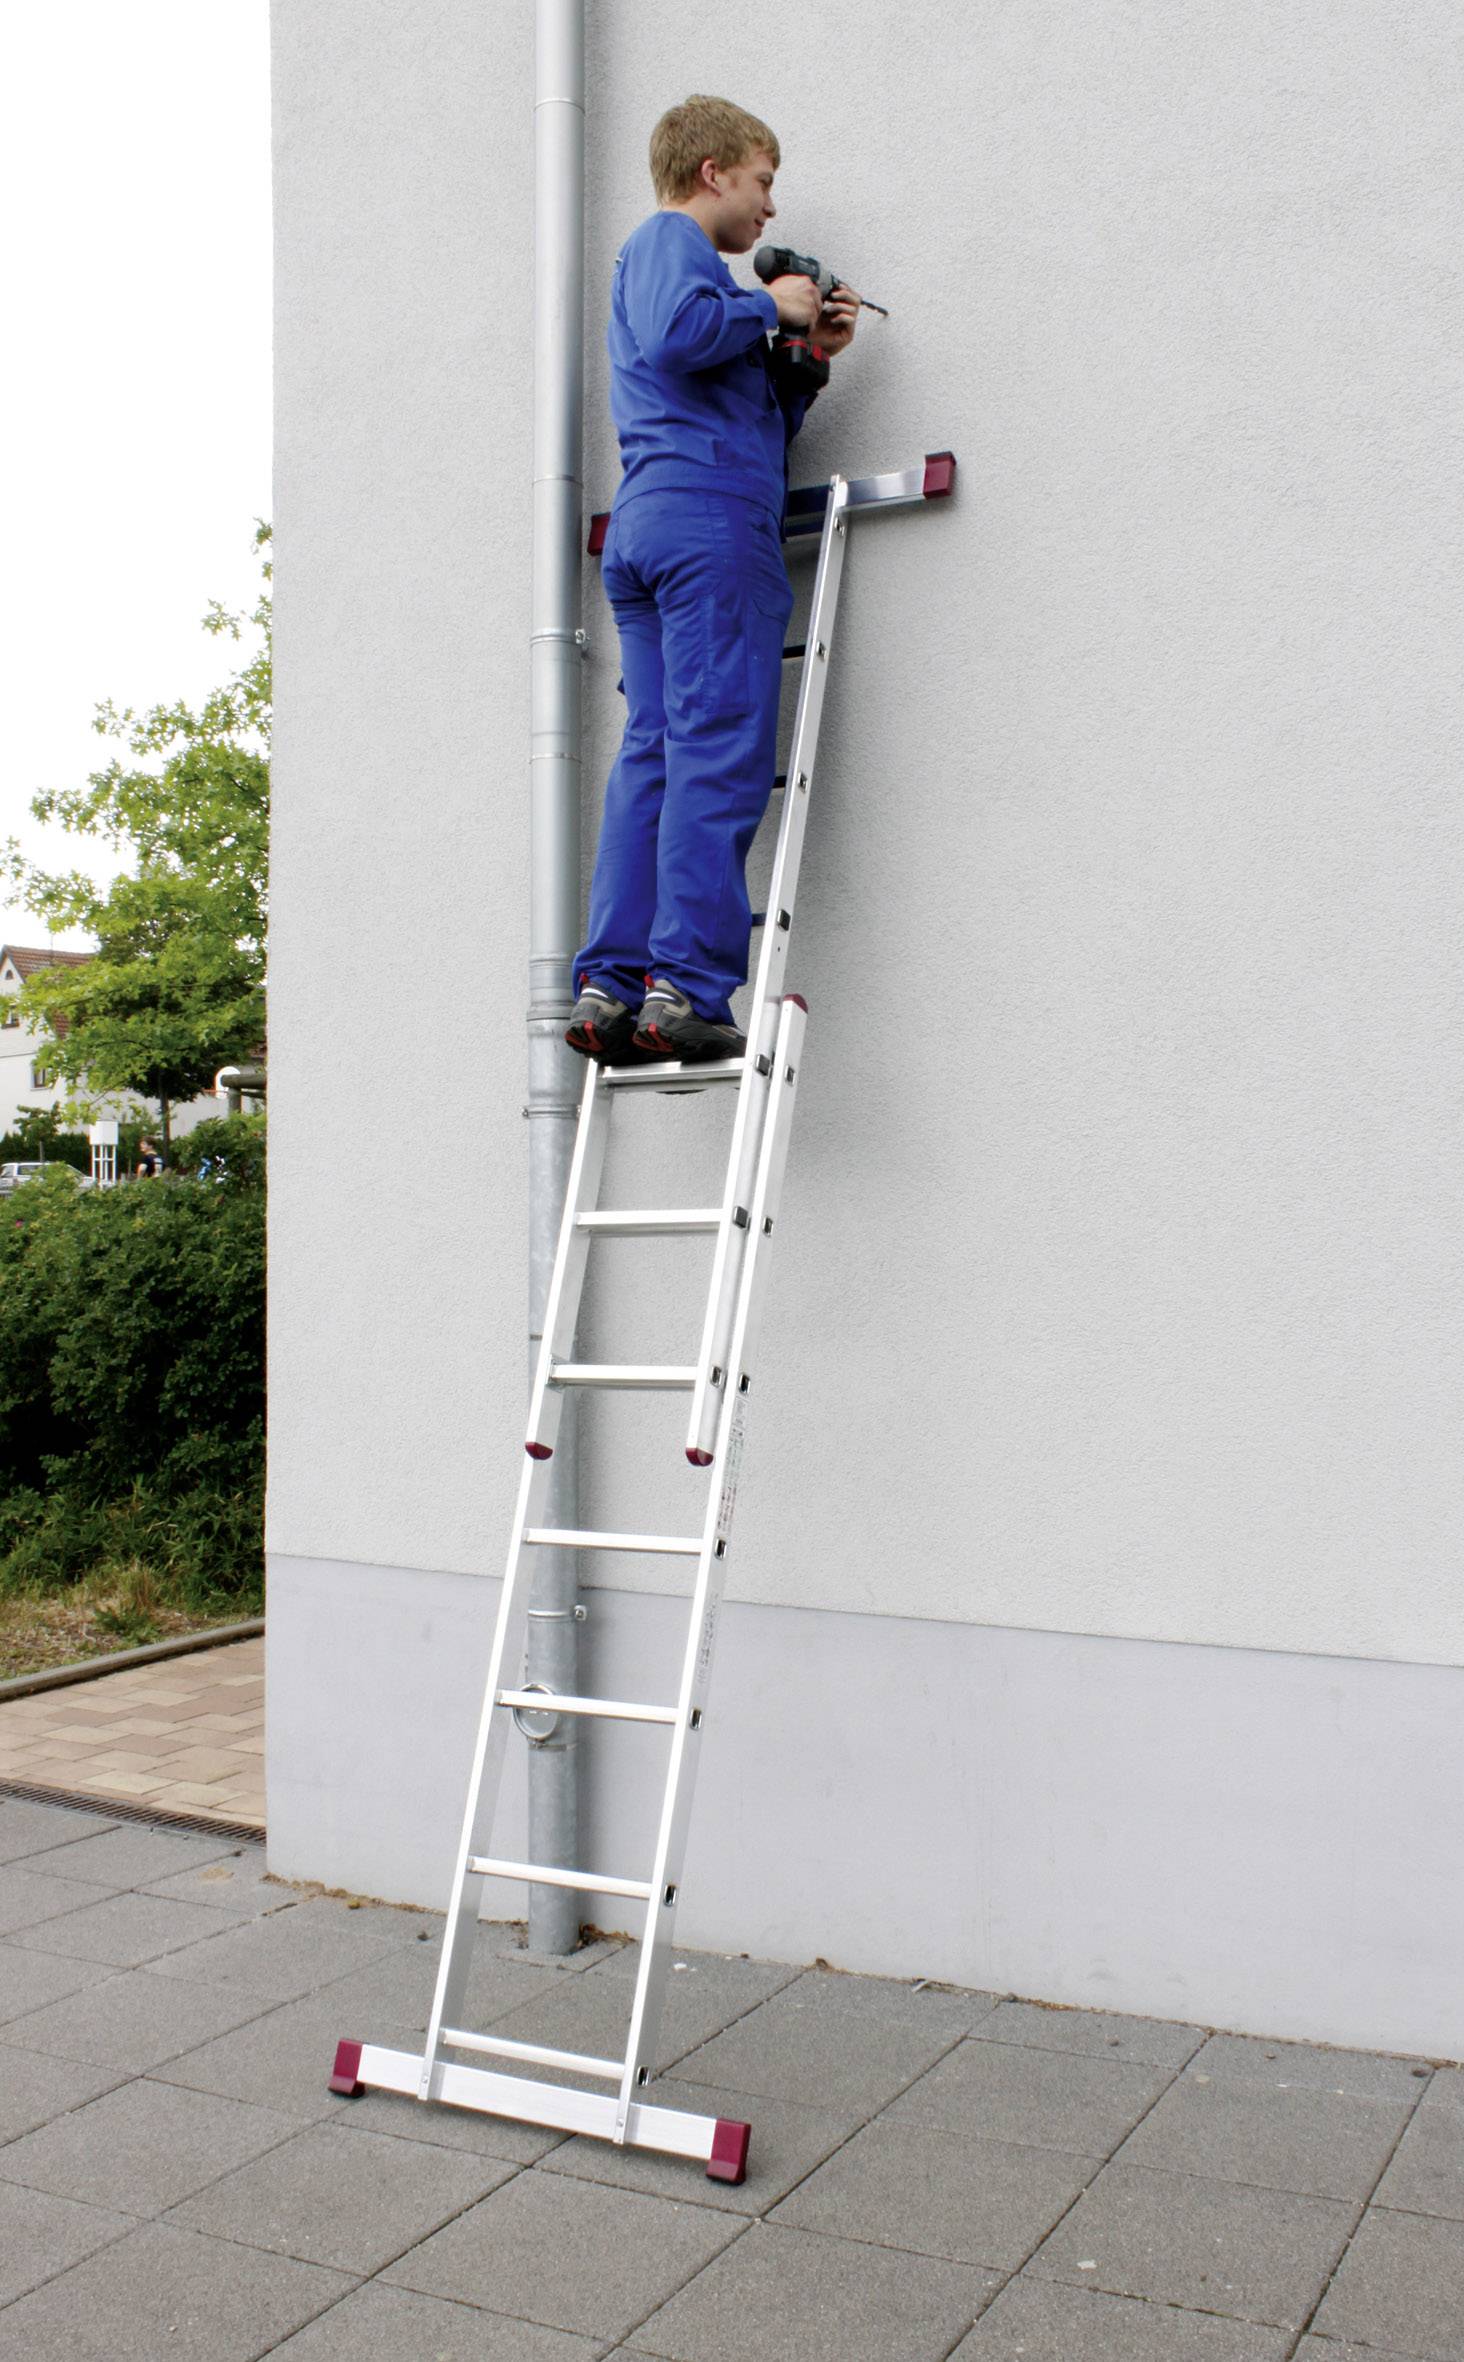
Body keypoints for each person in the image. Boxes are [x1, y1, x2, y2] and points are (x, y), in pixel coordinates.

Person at [567, 95, 859, 1065]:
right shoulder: (669, 245)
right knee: (718, 750)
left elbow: (746, 412)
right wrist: (769, 306)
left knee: (655, 752)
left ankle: (612, 989)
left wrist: (806, 356)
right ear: (712, 173)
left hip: (658, 524)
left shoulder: (694, 282)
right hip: (705, 526)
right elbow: (678, 334)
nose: (770, 208)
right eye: (763, 182)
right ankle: (686, 986)